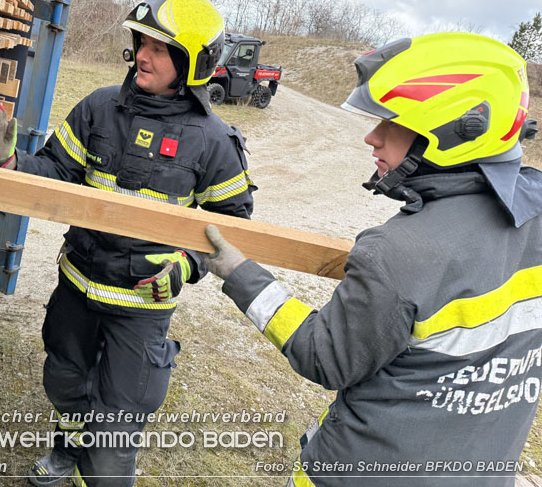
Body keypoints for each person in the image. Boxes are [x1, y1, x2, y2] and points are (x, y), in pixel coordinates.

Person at [200, 32, 542, 487]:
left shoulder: (399, 253)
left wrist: (241, 275)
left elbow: (325, 357)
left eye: (391, 123)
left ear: (454, 132)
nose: (372, 137)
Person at [0, 0, 256, 486]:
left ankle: (104, 471)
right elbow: (57, 171)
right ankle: (67, 450)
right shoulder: (99, 108)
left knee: (122, 412)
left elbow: (231, 223)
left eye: (159, 48)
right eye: (141, 42)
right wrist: (7, 162)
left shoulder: (214, 141)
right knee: (64, 378)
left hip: (140, 306)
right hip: (78, 283)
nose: (142, 54)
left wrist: (183, 265)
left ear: (192, 61)